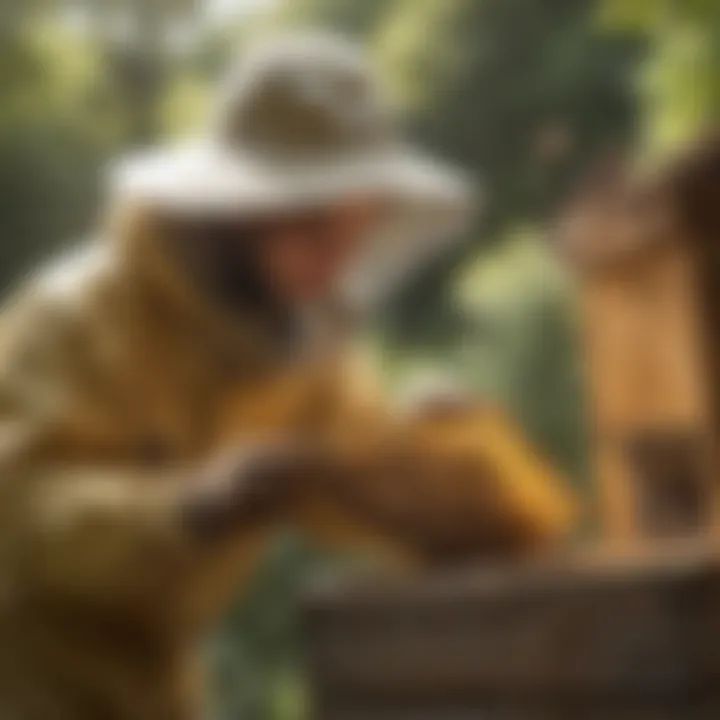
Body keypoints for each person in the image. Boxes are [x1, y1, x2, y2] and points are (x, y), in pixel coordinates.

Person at [0, 33, 576, 719]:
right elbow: (22, 517)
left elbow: (376, 491)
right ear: (233, 211)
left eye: (354, 224)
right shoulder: (70, 319)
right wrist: (187, 506)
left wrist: (458, 450)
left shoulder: (308, 350)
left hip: (160, 685)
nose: (336, 255)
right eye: (309, 223)